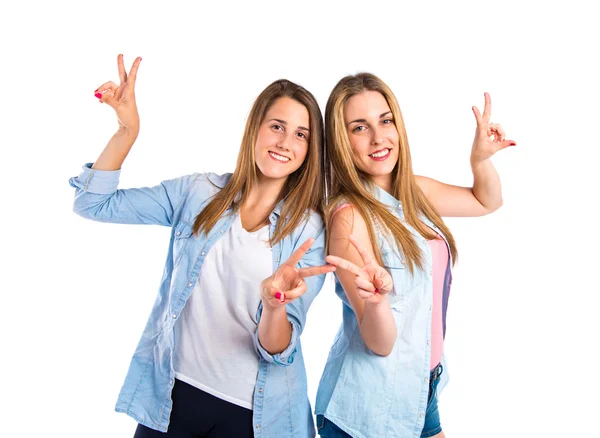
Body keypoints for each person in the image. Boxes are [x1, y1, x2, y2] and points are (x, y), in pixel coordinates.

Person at [69, 54, 334, 438]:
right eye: (277, 126)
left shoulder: (308, 230)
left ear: (310, 149)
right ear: (255, 129)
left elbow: (278, 349)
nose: (284, 142)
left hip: (253, 416)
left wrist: (275, 306)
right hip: (172, 396)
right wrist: (127, 132)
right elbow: (94, 203)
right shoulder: (199, 193)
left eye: (300, 134)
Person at [315, 73, 516, 438]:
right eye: (359, 127)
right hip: (367, 410)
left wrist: (480, 159)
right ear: (342, 141)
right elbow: (380, 343)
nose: (379, 138)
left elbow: (486, 201)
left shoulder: (413, 191)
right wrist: (376, 303)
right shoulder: (349, 219)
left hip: (421, 390)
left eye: (385, 120)